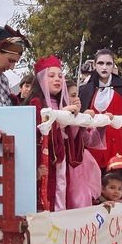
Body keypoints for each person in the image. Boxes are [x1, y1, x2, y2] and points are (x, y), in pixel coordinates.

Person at [24, 55, 86, 212]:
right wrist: (61, 114)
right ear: (41, 79)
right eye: (51, 76)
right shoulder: (36, 103)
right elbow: (40, 129)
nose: (57, 79)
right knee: (46, 195)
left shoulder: (63, 103)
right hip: (44, 159)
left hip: (60, 159)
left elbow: (70, 136)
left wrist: (74, 116)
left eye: (60, 76)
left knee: (60, 193)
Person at [64, 78, 103, 208]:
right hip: (67, 166)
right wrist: (82, 120)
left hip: (82, 165)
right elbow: (72, 136)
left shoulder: (80, 117)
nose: (77, 99)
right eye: (73, 95)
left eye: (78, 96)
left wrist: (102, 124)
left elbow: (91, 141)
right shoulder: (60, 117)